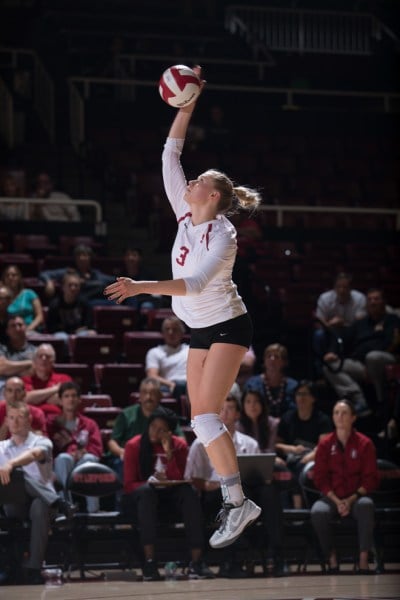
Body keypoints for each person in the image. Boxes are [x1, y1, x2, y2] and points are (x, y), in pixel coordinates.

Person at [105, 65, 262, 549]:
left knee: (209, 416)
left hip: (228, 327)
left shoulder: (224, 233)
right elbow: (170, 153)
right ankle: (238, 503)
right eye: (190, 181)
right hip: (200, 331)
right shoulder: (185, 213)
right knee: (199, 419)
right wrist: (185, 106)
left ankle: (237, 502)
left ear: (212, 196)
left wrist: (139, 287)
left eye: (198, 181)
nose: (188, 182)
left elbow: (193, 284)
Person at [185, 387, 285, 577]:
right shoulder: (200, 443)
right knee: (238, 499)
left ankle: (278, 556)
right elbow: (194, 479)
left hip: (248, 493)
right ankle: (232, 561)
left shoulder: (250, 443)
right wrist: (217, 486)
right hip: (214, 496)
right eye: (222, 408)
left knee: (269, 492)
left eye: (231, 408)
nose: (226, 412)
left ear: (238, 414)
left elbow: (259, 473)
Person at [122, 406, 214, 580]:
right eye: (153, 427)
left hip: (170, 498)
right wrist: (150, 483)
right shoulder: (133, 445)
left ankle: (196, 562)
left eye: (162, 429)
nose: (156, 432)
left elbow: (181, 478)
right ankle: (149, 562)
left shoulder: (178, 444)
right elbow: (128, 485)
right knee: (147, 492)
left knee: (188, 492)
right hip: (141, 500)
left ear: (170, 432)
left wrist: (169, 454)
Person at [310, 399, 380, 574]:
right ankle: (332, 558)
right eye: (336, 413)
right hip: (332, 497)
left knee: (366, 505)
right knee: (318, 511)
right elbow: (320, 478)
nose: (339, 417)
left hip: (356, 496)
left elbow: (370, 478)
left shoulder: (365, 444)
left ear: (353, 417)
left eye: (344, 413)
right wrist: (337, 500)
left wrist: (350, 500)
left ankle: (364, 560)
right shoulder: (325, 444)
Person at [0, 403, 58, 584]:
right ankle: (58, 502)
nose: (16, 421)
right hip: (13, 503)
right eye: (12, 417)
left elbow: (34, 455)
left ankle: (34, 568)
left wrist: (11, 464)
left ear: (29, 420)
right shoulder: (1, 447)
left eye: (20, 417)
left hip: (41, 503)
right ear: (6, 421)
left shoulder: (42, 441)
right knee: (16, 477)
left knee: (39, 505)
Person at [323, 288, 400, 416]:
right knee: (331, 366)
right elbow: (344, 337)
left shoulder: (393, 320)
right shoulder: (361, 323)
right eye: (369, 299)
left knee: (373, 357)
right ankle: (359, 401)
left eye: (376, 299)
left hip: (385, 359)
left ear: (384, 302)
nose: (373, 302)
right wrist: (333, 352)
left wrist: (366, 359)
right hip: (361, 363)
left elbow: (391, 343)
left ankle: (382, 403)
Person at [107, 377, 184, 482]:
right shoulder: (126, 414)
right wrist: (124, 452)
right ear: (139, 396)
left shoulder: (167, 416)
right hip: (130, 456)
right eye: (145, 393)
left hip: (159, 456)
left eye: (153, 393)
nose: (149, 397)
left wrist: (168, 449)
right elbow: (112, 442)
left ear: (160, 396)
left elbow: (181, 440)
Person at [47, 381, 103, 513]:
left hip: (83, 463)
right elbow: (46, 448)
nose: (70, 399)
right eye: (66, 396)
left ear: (79, 400)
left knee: (89, 458)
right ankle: (66, 509)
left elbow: (97, 449)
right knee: (63, 458)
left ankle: (94, 511)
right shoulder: (51, 423)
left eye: (73, 396)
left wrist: (83, 452)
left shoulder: (89, 424)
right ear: (60, 400)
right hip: (61, 466)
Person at [275, 380, 333, 508]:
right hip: (291, 459)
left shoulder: (322, 419)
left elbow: (324, 446)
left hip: (312, 460)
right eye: (298, 394)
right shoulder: (288, 418)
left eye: (305, 394)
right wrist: (292, 449)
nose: (301, 398)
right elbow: (277, 445)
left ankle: (299, 507)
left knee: (302, 469)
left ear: (313, 398)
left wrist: (308, 458)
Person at [313, 272, 367, 375]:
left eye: (345, 287)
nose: (342, 290)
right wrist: (330, 324)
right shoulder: (325, 298)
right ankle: (320, 371)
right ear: (334, 287)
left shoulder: (360, 298)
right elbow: (319, 322)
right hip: (329, 331)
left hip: (352, 332)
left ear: (351, 288)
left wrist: (343, 323)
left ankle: (351, 365)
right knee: (318, 334)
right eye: (339, 287)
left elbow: (360, 324)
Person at [39, 244, 114, 304]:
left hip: (92, 303)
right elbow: (44, 274)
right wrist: (48, 282)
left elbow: (112, 279)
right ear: (75, 258)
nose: (82, 258)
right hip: (74, 303)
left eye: (85, 255)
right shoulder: (69, 272)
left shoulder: (95, 274)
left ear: (90, 258)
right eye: (79, 255)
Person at [243, 344, 298, 418]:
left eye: (277, 356)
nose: (272, 359)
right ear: (264, 360)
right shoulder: (252, 384)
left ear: (284, 362)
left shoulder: (293, 386)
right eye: (269, 356)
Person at [22, 343, 72, 419]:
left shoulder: (64, 378)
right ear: (34, 361)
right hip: (32, 421)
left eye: (48, 356)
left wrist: (36, 399)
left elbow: (67, 401)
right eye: (40, 356)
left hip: (58, 421)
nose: (44, 359)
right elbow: (25, 398)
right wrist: (55, 389)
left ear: (53, 361)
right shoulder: (25, 380)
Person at [145, 316, 189, 400]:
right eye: (167, 329)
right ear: (162, 333)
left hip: (189, 385)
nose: (170, 332)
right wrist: (171, 384)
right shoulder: (154, 352)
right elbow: (152, 376)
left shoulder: (190, 350)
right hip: (168, 387)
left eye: (175, 329)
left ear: (182, 332)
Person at [46, 269, 96, 340]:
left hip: (80, 333)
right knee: (61, 337)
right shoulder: (55, 305)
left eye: (76, 285)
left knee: (91, 334)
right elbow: (51, 328)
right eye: (70, 285)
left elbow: (89, 325)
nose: (73, 288)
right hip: (61, 334)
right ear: (63, 287)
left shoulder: (85, 303)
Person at [0, 376, 46, 440]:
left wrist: (26, 424)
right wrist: (6, 425)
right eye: (10, 390)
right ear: (4, 393)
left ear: (24, 393)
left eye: (18, 391)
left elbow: (42, 442)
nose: (13, 395)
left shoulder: (36, 413)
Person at [2, 264, 44, 334]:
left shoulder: (29, 293)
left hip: (30, 330)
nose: (10, 277)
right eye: (7, 275)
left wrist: (28, 329)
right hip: (8, 332)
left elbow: (39, 316)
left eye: (14, 275)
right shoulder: (2, 296)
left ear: (19, 277)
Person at [0, 315, 36, 398]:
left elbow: (34, 371)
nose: (17, 328)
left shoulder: (35, 351)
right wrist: (29, 363)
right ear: (7, 331)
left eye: (20, 325)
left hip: (26, 386)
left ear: (26, 327)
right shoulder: (1, 348)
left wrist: (9, 367)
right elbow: (1, 368)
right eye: (13, 326)